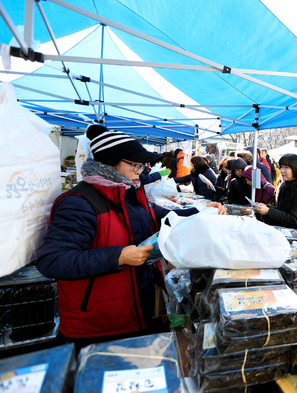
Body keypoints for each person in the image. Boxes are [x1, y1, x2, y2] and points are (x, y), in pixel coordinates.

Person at [36, 125, 225, 346]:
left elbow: (162, 216)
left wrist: (202, 211)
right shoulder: (79, 203)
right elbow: (53, 260)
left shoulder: (130, 193)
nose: (140, 170)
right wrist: (119, 256)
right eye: (134, 164)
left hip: (133, 312)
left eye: (141, 165)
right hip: (96, 327)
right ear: (109, 164)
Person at [255, 154, 297, 240]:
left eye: (286, 167)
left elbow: (294, 219)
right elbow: (282, 210)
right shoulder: (285, 185)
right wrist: (264, 207)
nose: (282, 171)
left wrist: (268, 211)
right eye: (281, 167)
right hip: (287, 235)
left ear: (296, 168)